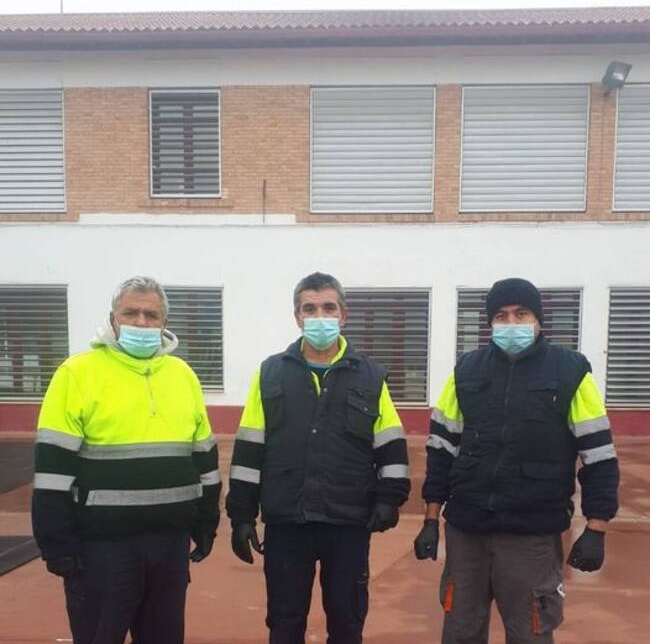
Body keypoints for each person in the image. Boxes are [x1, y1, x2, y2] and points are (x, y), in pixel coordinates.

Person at [414, 277, 619, 644]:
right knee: (460, 630)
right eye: (501, 315)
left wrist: (597, 527)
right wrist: (431, 519)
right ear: (490, 323)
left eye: (521, 314)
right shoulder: (465, 371)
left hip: (532, 533)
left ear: (538, 319)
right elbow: (441, 448)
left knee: (530, 633)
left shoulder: (571, 373)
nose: (511, 323)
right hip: (467, 531)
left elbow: (599, 456)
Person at [31, 276, 220, 644]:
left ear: (164, 322)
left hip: (169, 544)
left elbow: (205, 458)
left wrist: (206, 522)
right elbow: (53, 469)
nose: (141, 322)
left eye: (151, 315)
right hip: (103, 549)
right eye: (131, 313)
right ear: (113, 318)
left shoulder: (183, 376)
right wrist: (56, 543)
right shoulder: (77, 373)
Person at [226, 271, 410, 644]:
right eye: (309, 309)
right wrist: (241, 515)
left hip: (348, 521)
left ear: (343, 315)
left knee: (347, 622)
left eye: (328, 307)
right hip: (287, 521)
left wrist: (390, 499)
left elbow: (390, 443)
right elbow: (249, 448)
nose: (319, 316)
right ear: (297, 316)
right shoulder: (270, 373)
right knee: (284, 621)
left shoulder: (370, 376)